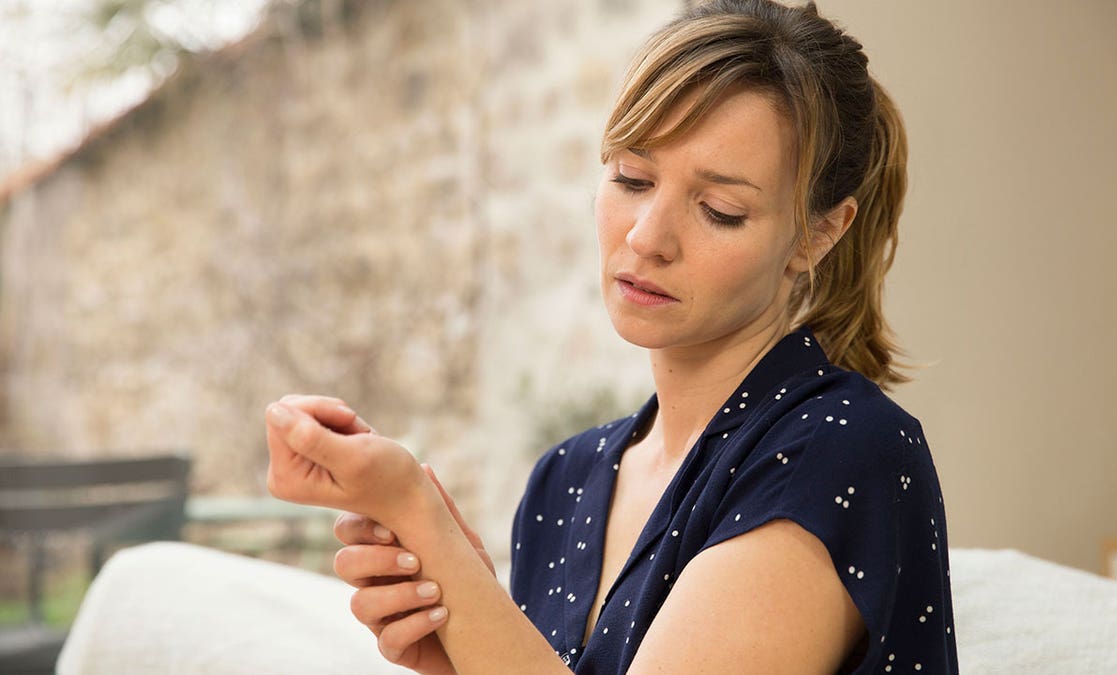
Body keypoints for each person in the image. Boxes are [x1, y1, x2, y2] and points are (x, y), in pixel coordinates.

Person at [263, 0, 958, 673]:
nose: (646, 237)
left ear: (818, 233)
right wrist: (463, 649)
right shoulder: (564, 479)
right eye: (631, 176)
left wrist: (419, 512)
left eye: (719, 210)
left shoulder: (841, 453)